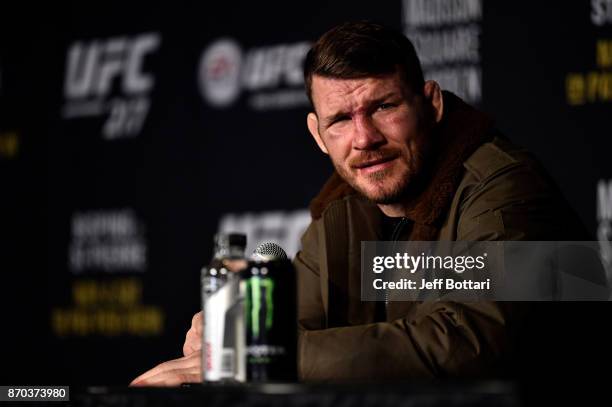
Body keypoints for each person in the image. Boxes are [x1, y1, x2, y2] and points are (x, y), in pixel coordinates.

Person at [130, 21, 591, 386]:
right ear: (317, 135)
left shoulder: (509, 188)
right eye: (341, 120)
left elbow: (472, 343)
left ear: (430, 104)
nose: (365, 138)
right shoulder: (344, 211)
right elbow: (298, 325)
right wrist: (237, 337)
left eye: (383, 107)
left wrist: (260, 354)